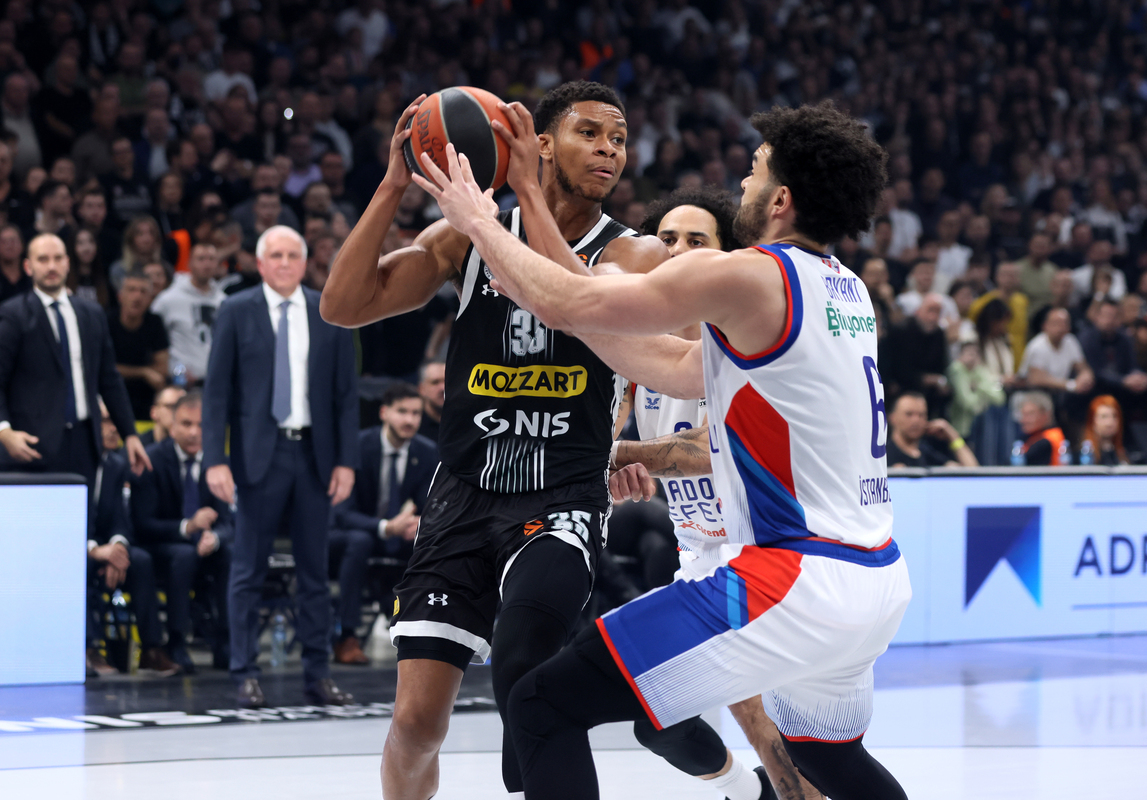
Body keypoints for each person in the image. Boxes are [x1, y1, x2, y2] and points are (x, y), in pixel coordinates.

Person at [411, 100, 911, 800]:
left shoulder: (749, 274)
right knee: (826, 759)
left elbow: (567, 306)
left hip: (796, 580)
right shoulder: (845, 289)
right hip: (875, 579)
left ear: (782, 200)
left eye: (756, 172)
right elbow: (660, 362)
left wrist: (480, 221)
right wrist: (526, 218)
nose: (743, 183)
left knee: (540, 704)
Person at [320, 82, 668, 800]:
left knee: (522, 662)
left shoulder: (635, 255)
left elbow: (583, 309)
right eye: (590, 133)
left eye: (619, 138)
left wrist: (523, 201)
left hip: (561, 497)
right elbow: (343, 304)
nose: (609, 149)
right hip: (462, 498)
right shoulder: (467, 236)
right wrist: (392, 187)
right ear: (540, 143)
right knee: (417, 723)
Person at [609, 183, 821, 800]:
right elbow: (601, 437)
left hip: (768, 550)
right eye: (666, 238)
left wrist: (624, 456)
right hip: (698, 552)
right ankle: (751, 790)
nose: (676, 251)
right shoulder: (632, 348)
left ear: (725, 259)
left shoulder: (741, 335)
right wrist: (614, 469)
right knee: (660, 720)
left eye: (696, 241)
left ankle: (779, 790)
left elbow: (709, 447)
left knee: (783, 728)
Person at [204, 225, 359, 708]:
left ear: (305, 260)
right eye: (276, 255)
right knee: (248, 569)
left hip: (314, 455)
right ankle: (244, 672)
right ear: (260, 262)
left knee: (315, 572)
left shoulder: (327, 307)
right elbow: (216, 395)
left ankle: (317, 673)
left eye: (294, 254)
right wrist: (215, 459)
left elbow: (345, 394)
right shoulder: (235, 310)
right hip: (257, 457)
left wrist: (347, 462)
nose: (286, 263)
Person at [0, 233, 150, 488]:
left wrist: (130, 434)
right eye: (43, 259)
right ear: (28, 266)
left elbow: (109, 379)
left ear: (68, 263)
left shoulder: (91, 314)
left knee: (82, 524)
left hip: (84, 441)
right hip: (31, 443)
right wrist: (4, 432)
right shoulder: (13, 315)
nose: (51, 266)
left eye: (57, 258)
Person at [327, 382, 437, 665]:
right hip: (347, 534)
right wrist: (385, 526)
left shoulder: (427, 452)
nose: (410, 420)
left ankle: (427, 632)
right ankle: (347, 636)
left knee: (432, 542)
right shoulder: (358, 447)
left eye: (416, 413)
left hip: (398, 537)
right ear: (384, 413)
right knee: (360, 541)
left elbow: (432, 505)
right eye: (402, 412)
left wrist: (419, 525)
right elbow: (341, 512)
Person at [130, 391, 232, 673]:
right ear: (172, 426)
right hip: (161, 544)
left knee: (230, 553)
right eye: (186, 424)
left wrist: (215, 537)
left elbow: (229, 520)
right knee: (184, 555)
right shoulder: (150, 460)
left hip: (205, 546)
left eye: (200, 425)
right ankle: (176, 641)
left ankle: (226, 640)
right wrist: (187, 527)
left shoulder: (218, 462)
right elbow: (142, 524)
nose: (194, 432)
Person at [87, 404, 179, 677]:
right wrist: (95, 551)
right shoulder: (71, 461)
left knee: (140, 560)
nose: (114, 427)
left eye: (115, 420)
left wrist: (116, 548)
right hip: (73, 548)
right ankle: (88, 649)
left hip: (107, 547)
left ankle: (151, 649)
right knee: (77, 566)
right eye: (105, 421)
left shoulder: (117, 464)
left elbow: (120, 518)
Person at [151, 241, 225, 386]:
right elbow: (154, 339)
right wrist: (174, 369)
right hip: (182, 383)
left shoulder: (224, 301)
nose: (207, 264)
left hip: (217, 381)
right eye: (201, 259)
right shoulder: (168, 299)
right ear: (189, 263)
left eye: (211, 259)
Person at [108, 268, 170, 420]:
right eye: (131, 290)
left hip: (146, 404)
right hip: (111, 400)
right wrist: (144, 372)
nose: (137, 296)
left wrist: (125, 371)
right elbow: (104, 368)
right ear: (120, 296)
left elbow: (162, 369)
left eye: (143, 291)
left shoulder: (155, 323)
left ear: (150, 298)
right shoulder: (106, 321)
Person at [887, 391, 979, 468]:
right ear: (892, 418)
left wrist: (953, 436)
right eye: (909, 414)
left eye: (921, 415)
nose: (916, 420)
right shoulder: (883, 455)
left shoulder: (927, 453)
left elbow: (973, 471)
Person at [1020, 308, 1095, 401]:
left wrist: (1085, 377)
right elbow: (1036, 379)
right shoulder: (1037, 346)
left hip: (1060, 392)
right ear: (1045, 326)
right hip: (1033, 394)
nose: (1061, 327)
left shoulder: (1070, 341)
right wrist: (1071, 385)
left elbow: (1083, 367)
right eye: (1057, 323)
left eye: (1065, 323)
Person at [946, 338, 1007, 437]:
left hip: (977, 425)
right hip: (958, 427)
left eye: (976, 353)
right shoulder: (957, 369)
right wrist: (982, 399)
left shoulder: (979, 371)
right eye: (969, 353)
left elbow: (999, 398)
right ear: (960, 355)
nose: (972, 357)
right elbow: (967, 403)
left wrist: (978, 386)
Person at [1015, 391, 1067, 466]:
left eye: (1030, 414)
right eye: (1023, 414)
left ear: (1045, 415)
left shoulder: (1047, 441)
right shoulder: (1033, 437)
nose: (1024, 420)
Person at [1081, 395, 1128, 466]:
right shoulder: (1083, 455)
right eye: (1104, 417)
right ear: (1092, 421)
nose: (1110, 423)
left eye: (1114, 416)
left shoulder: (1127, 454)